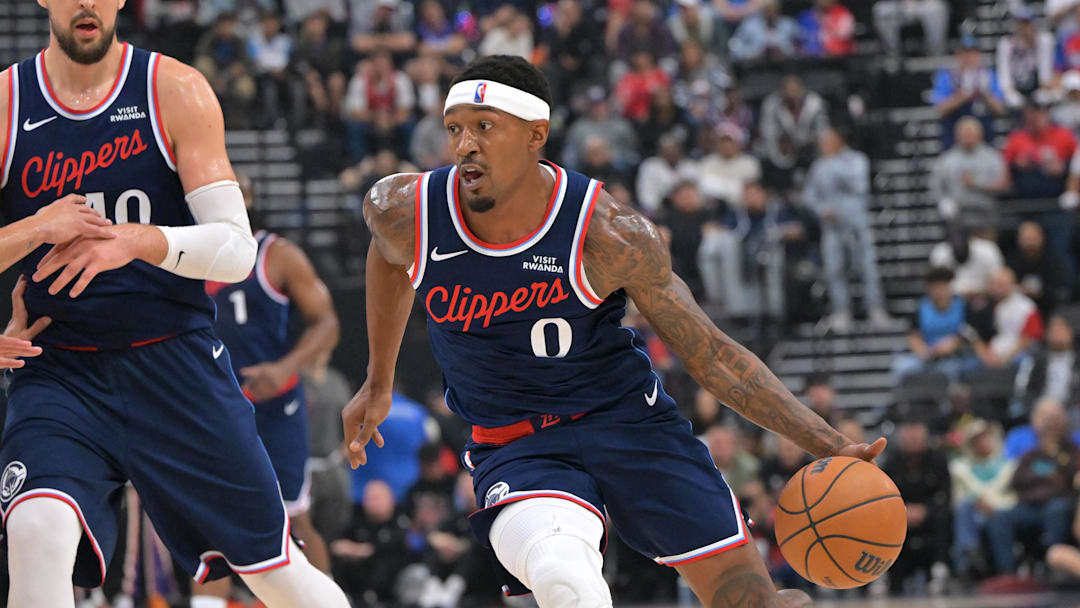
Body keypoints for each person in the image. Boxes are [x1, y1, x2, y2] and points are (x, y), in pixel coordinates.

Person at [345, 54, 885, 607]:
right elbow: (388, 259)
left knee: (756, 603)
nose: (464, 146)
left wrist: (830, 442)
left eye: (484, 127)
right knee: (565, 577)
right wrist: (377, 380)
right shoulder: (404, 211)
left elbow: (714, 357)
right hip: (520, 447)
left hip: (631, 424)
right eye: (455, 129)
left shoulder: (608, 233)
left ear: (537, 135)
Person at [0, 1, 348, 607]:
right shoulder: (6, 103)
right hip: (60, 369)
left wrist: (136, 240)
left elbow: (237, 250)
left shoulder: (174, 89)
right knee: (35, 531)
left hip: (175, 364)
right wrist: (34, 227)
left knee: (272, 570)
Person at [193, 176, 341, 604]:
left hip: (274, 405)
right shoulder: (184, 253)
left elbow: (328, 322)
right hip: (214, 409)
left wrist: (286, 366)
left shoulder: (277, 255)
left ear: (250, 198)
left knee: (294, 520)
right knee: (211, 525)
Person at [802, 127, 889, 330]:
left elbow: (859, 185)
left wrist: (832, 166)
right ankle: (841, 311)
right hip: (831, 227)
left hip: (857, 225)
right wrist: (821, 209)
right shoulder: (818, 166)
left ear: (839, 140)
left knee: (867, 267)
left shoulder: (856, 160)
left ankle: (875, 309)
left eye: (827, 141)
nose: (823, 146)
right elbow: (808, 195)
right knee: (834, 270)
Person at [892, 267, 979, 380]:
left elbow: (971, 334)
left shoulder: (963, 307)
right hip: (928, 355)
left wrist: (955, 343)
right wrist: (924, 351)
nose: (940, 291)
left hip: (955, 357)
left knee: (951, 370)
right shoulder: (921, 308)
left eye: (943, 286)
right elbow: (914, 336)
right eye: (936, 287)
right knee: (901, 367)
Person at [928, 117, 1007, 234]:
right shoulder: (946, 160)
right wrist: (943, 201)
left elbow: (1003, 185)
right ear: (956, 136)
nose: (968, 137)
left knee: (986, 249)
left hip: (986, 217)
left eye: (971, 134)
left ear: (980, 134)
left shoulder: (993, 157)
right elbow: (934, 186)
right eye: (965, 134)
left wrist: (977, 183)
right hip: (957, 220)